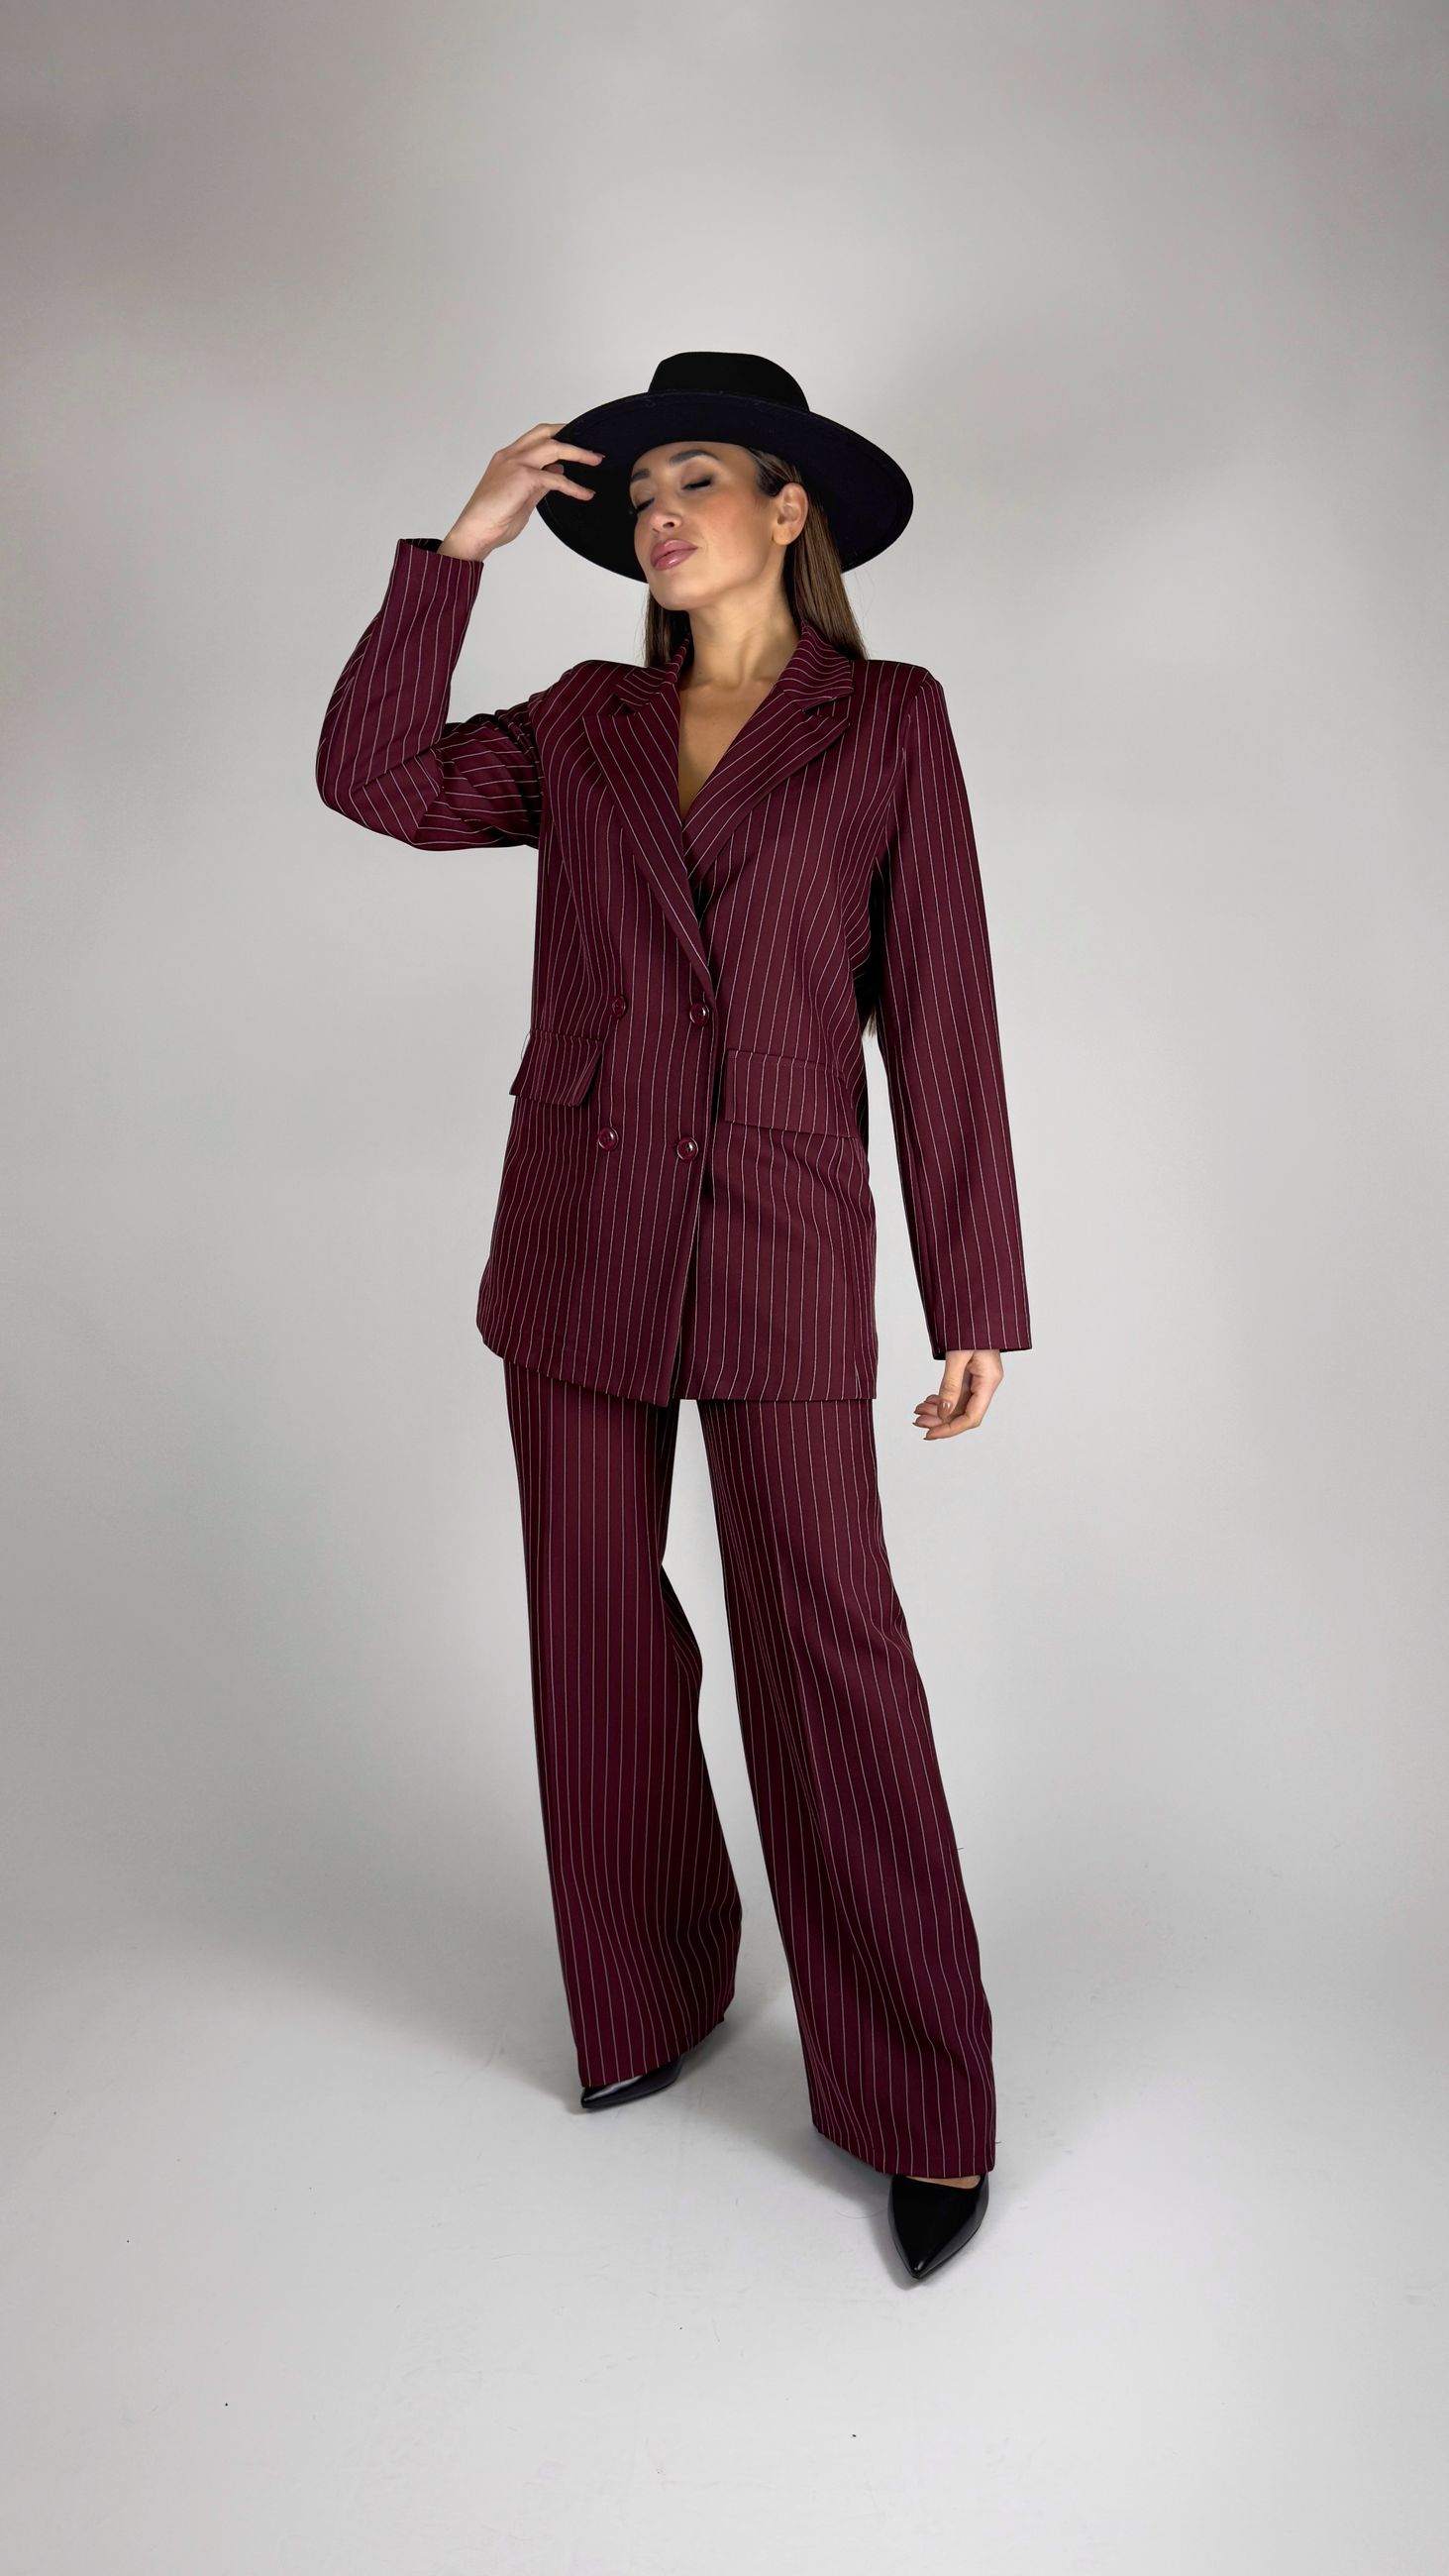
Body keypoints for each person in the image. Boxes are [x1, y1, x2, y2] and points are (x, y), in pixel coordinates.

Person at [315, 352, 1033, 2283]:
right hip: (578, 1237)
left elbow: (943, 1011)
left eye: (695, 477)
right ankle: (649, 1996)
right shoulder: (586, 721)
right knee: (597, 1637)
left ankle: (922, 2098)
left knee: (831, 1650)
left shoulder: (889, 720)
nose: (658, 513)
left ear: (790, 508)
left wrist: (975, 1287)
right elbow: (376, 781)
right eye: (638, 493)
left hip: (785, 1242)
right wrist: (456, 554)